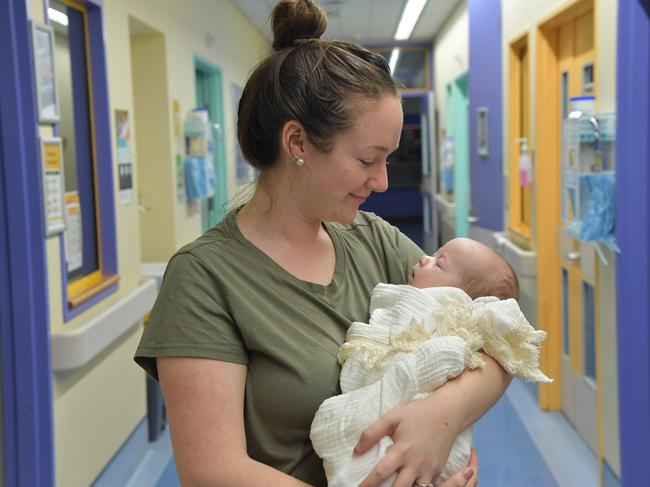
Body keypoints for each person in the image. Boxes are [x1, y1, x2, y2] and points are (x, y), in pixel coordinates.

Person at [134, 1, 511, 486]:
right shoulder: (205, 278)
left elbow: (500, 336)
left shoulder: (373, 240)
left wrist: (440, 420)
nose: (381, 182)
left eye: (388, 159)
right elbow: (213, 471)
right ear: (297, 144)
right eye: (368, 159)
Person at [310, 238, 552, 487]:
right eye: (434, 256)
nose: (425, 258)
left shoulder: (378, 241)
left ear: (456, 295)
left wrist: (441, 412)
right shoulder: (419, 282)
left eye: (438, 263)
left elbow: (494, 353)